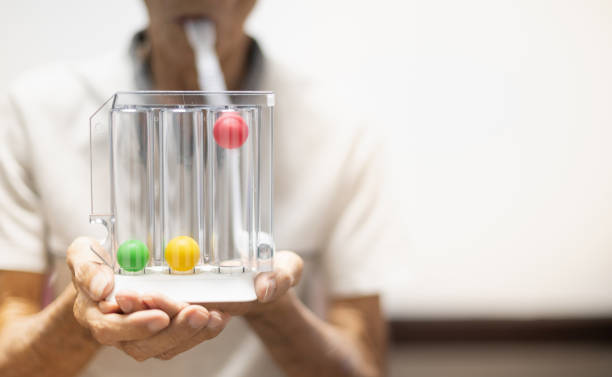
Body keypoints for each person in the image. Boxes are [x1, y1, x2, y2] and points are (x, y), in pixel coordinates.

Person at [0, 0, 391, 376]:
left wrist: (271, 306)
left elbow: (363, 364)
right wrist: (88, 309)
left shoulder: (337, 124)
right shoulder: (36, 111)